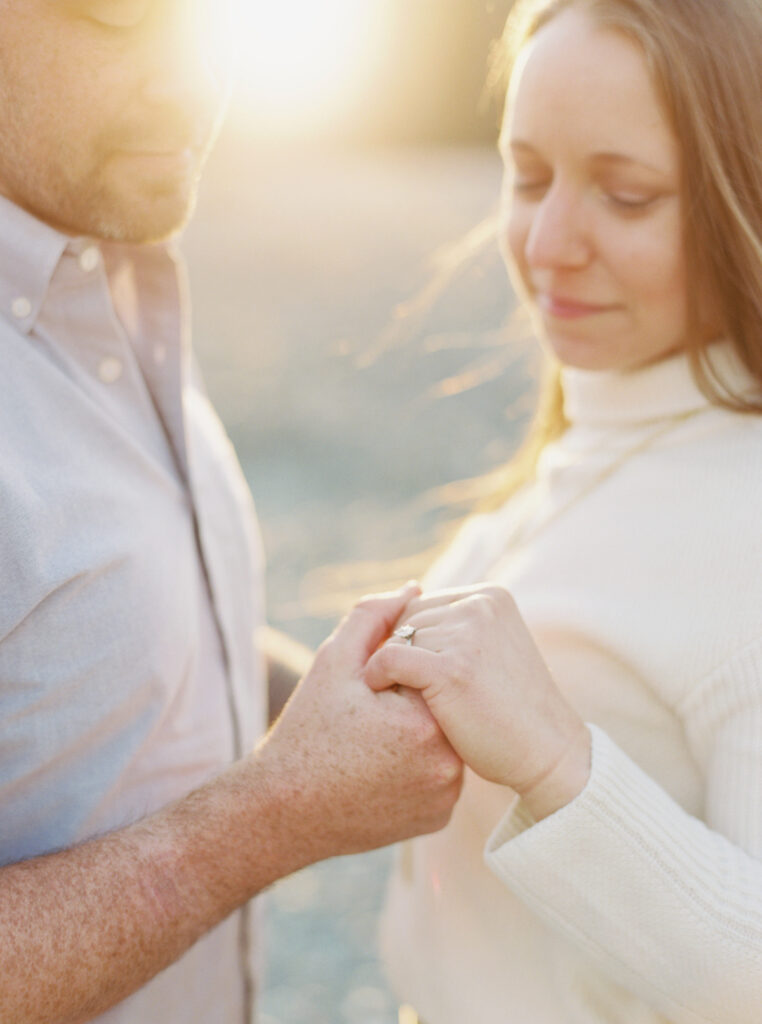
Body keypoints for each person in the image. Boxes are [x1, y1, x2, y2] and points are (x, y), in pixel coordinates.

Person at [0, 3, 463, 1022]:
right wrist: (281, 809)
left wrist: (376, 698)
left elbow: (83, 654)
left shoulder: (108, 267)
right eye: (116, 23)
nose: (189, 85)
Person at [366, 0, 762, 1022]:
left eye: (625, 195)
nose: (548, 243)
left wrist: (555, 758)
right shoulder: (577, 458)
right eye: (528, 176)